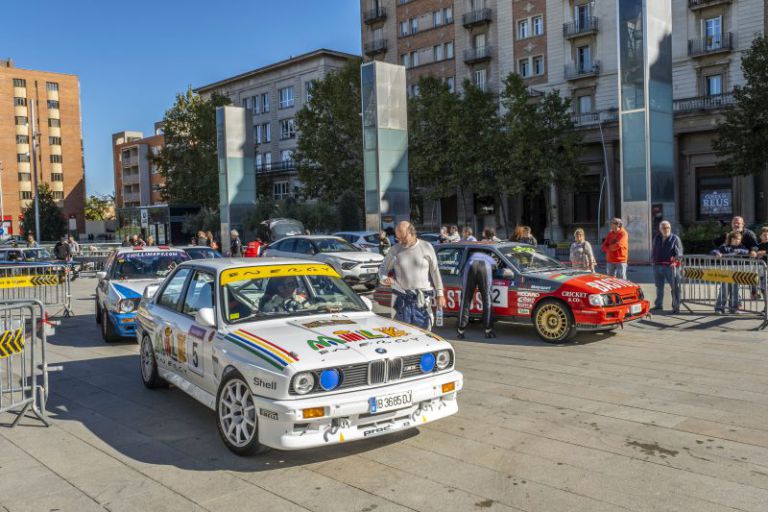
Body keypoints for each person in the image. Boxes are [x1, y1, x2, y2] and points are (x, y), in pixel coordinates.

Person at [378, 221, 445, 329]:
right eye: (398, 238)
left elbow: (435, 271)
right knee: (402, 334)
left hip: (422, 300)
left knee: (424, 334)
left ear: (412, 233)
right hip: (401, 301)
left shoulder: (426, 247)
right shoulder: (395, 250)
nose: (400, 241)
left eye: (403, 237)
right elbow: (382, 269)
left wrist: (440, 294)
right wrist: (384, 279)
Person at [457, 250, 498, 339]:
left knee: (466, 299)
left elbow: (461, 269)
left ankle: (461, 331)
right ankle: (488, 330)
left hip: (470, 264)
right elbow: (496, 269)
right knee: (487, 299)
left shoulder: (472, 255)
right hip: (485, 266)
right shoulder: (491, 257)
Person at [711, 231, 750, 314]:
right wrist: (716, 253)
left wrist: (739, 250)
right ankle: (719, 308)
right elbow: (713, 251)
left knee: (735, 291)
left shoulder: (742, 247)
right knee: (724, 291)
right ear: (731, 239)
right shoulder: (724, 247)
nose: (737, 241)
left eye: (739, 239)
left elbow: (747, 251)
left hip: (736, 274)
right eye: (735, 239)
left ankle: (734, 308)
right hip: (725, 273)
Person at [651, 221, 683, 313]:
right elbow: (654, 250)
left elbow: (679, 254)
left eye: (668, 227)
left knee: (675, 287)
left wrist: (675, 262)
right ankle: (658, 305)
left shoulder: (675, 238)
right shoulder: (656, 238)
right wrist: (653, 260)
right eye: (664, 228)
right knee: (659, 287)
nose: (666, 230)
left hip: (670, 267)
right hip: (657, 266)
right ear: (660, 229)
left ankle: (676, 306)